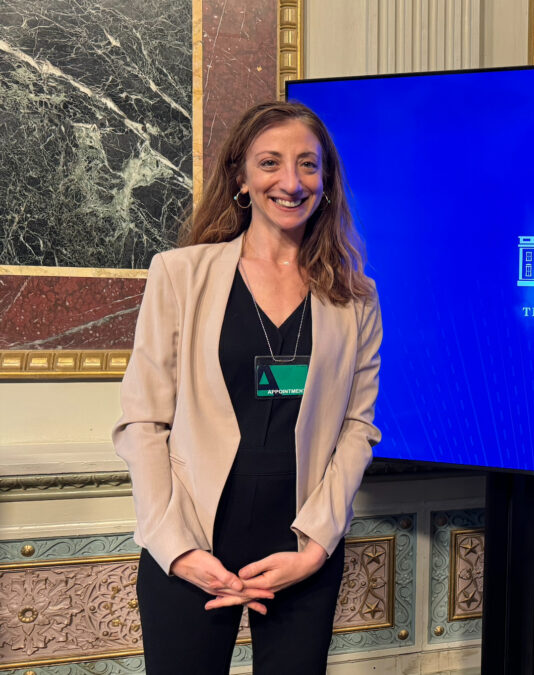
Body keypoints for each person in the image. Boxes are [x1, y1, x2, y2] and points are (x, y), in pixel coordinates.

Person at [113, 101, 382, 673]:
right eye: (270, 163)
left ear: (327, 181)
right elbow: (143, 421)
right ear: (241, 177)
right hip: (190, 540)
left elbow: (358, 427)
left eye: (308, 165)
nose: (291, 181)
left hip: (300, 544)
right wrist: (176, 545)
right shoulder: (180, 274)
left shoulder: (357, 296)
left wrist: (314, 547)